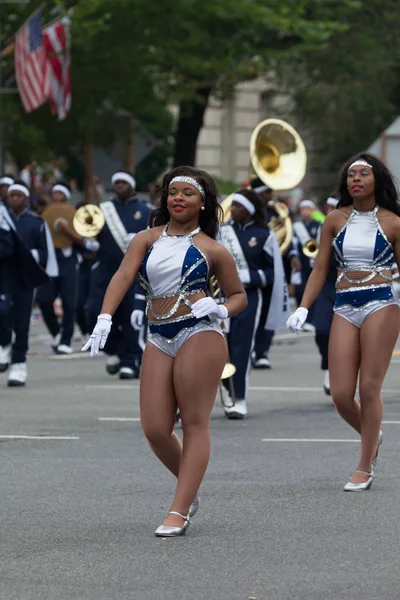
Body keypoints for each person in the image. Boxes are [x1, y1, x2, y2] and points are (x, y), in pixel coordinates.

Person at [83, 166, 247, 536]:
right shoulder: (146, 239)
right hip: (158, 334)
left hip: (200, 333)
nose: (178, 199)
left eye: (187, 194)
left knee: (193, 422)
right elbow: (123, 276)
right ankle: (190, 489)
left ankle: (179, 508)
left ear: (202, 203)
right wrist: (105, 318)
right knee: (156, 428)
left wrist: (220, 309)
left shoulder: (213, 249)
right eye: (173, 192)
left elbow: (239, 296)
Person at [287, 153, 400, 491]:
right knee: (339, 393)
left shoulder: (393, 222)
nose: (356, 179)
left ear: (376, 180)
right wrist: (302, 307)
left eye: (364, 174)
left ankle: (364, 466)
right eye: (352, 175)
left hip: (382, 302)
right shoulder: (335, 219)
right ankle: (372, 433)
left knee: (368, 388)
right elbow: (321, 269)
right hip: (344, 304)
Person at [219, 188, 288, 418]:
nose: (233, 209)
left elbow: (272, 274)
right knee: (220, 349)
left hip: (250, 298)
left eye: (238, 207)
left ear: (248, 211)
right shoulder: (222, 232)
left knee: (241, 348)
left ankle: (240, 398)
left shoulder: (263, 235)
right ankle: (225, 390)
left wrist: (249, 276)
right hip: (221, 297)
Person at [87, 170, 151, 378]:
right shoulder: (103, 211)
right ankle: (112, 349)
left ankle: (129, 361)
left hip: (133, 275)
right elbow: (90, 234)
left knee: (130, 315)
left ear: (132, 185)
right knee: (95, 312)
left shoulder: (146, 211)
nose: (120, 186)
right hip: (105, 271)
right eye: (117, 183)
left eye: (124, 182)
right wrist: (89, 242)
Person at [0, 181, 57, 385]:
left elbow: (44, 252)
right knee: (2, 311)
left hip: (24, 277)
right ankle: (5, 342)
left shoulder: (36, 223)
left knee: (22, 321)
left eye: (19, 195)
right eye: (11, 195)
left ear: (26, 198)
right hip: (4, 274)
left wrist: (25, 255)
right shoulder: (2, 218)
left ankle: (19, 364)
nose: (14, 198)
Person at [36, 182, 99, 354]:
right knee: (43, 298)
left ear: (66, 196)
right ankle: (57, 332)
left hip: (68, 260)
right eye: (54, 193)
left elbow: (89, 243)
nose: (56, 196)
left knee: (69, 302)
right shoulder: (45, 214)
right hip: (49, 261)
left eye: (60, 193)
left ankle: (66, 340)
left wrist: (66, 230)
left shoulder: (74, 216)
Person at [249, 177, 301, 369]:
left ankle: (262, 351)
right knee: (248, 312)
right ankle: (250, 349)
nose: (270, 197)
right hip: (250, 269)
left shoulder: (276, 213)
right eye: (266, 193)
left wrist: (293, 255)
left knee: (268, 312)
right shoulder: (243, 212)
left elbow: (288, 237)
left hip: (272, 269)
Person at [313, 197, 339, 395]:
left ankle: (338, 373)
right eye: (327, 206)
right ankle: (329, 365)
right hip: (327, 283)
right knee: (322, 330)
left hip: (350, 285)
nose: (329, 210)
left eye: (333, 207)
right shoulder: (323, 226)